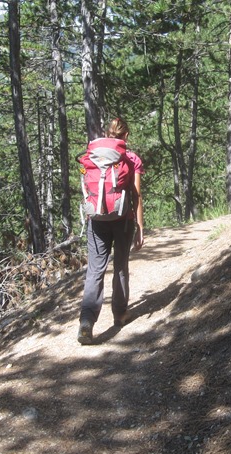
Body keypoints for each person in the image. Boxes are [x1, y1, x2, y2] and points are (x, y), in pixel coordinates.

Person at [77, 117, 145, 345]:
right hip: (122, 219)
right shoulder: (131, 158)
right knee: (120, 267)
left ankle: (86, 321)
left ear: (107, 134)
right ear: (125, 136)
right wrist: (140, 227)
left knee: (95, 270)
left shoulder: (94, 158)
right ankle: (120, 314)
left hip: (96, 218)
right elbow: (136, 195)